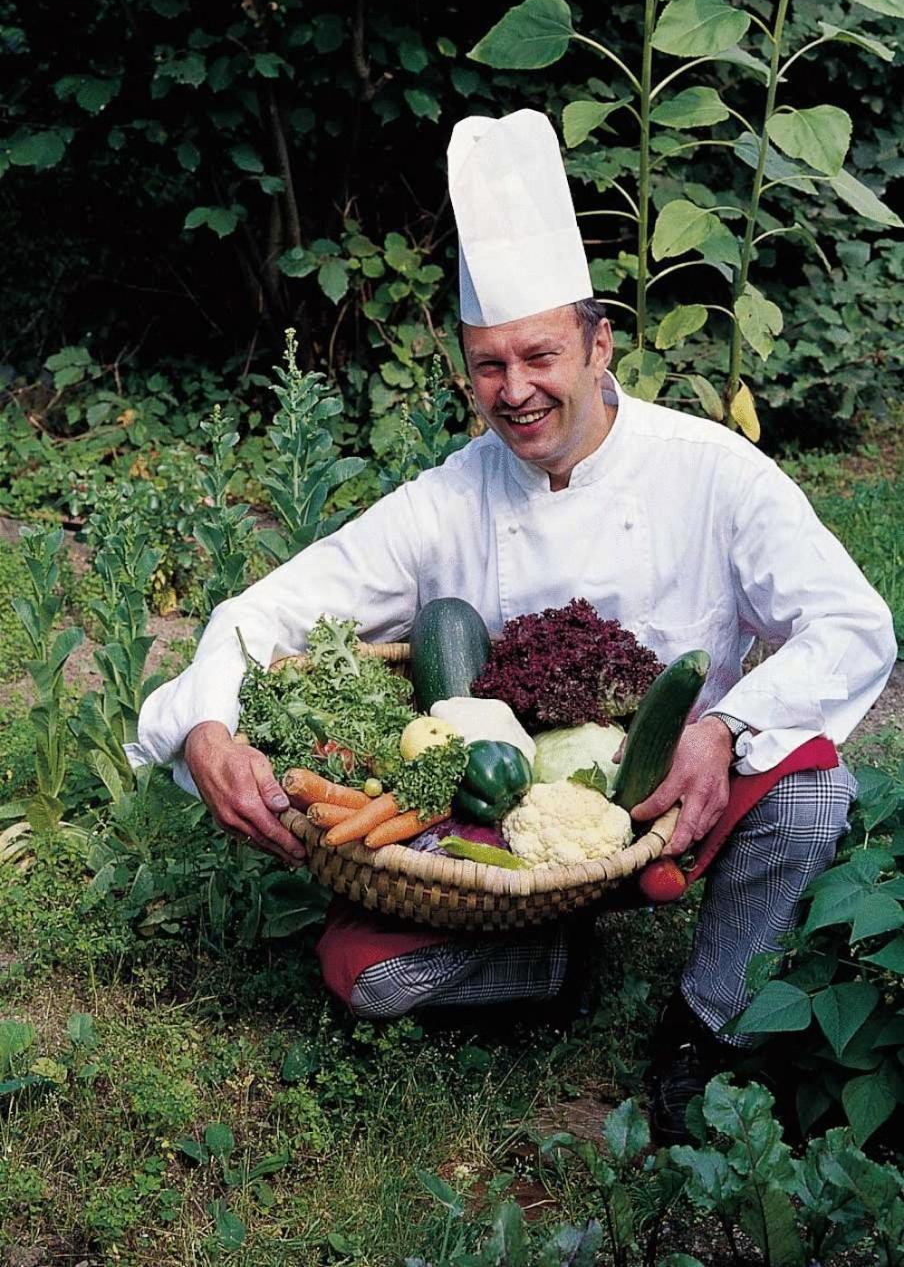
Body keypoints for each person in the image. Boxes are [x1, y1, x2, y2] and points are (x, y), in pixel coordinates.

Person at [130, 110, 896, 1140]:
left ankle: (707, 1026)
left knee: (812, 794)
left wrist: (722, 728)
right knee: (371, 979)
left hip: (678, 814)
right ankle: (548, 958)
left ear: (598, 342)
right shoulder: (446, 500)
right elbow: (266, 611)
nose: (515, 390)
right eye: (487, 365)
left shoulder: (711, 470)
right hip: (502, 841)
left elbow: (854, 625)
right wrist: (206, 728)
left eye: (539, 355)